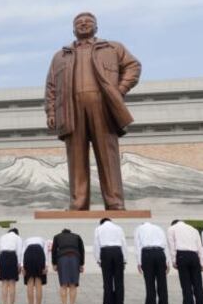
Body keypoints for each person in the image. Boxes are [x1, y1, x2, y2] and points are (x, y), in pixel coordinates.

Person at [45, 12, 142, 210]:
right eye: (79, 22)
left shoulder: (113, 48)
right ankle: (78, 203)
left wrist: (119, 90)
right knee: (76, 158)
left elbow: (133, 67)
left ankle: (114, 202)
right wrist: (51, 112)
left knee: (108, 155)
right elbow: (51, 87)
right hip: (72, 110)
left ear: (96, 27)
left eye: (88, 22)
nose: (83, 24)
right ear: (73, 29)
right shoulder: (60, 56)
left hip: (103, 107)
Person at [168, 220, 203, 304]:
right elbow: (200, 247)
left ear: (173, 223)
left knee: (186, 286)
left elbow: (172, 246)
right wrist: (201, 262)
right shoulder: (193, 229)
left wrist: (174, 261)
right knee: (198, 286)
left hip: (182, 256)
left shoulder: (172, 229)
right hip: (194, 256)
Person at [134, 221, 170, 304]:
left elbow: (137, 246)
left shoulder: (139, 229)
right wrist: (167, 262)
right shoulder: (159, 228)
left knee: (149, 284)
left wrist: (139, 262)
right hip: (160, 253)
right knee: (162, 284)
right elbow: (165, 245)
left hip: (147, 254)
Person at [93, 218, 128, 304]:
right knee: (119, 283)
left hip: (106, 252)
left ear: (101, 222)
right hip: (118, 252)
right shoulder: (118, 228)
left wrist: (98, 259)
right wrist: (124, 260)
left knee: (107, 282)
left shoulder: (99, 229)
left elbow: (96, 244)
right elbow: (123, 243)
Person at [51, 228, 85, 304]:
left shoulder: (57, 237)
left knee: (64, 285)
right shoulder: (77, 236)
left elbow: (54, 251)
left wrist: (54, 263)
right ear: (70, 232)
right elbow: (82, 250)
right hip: (75, 258)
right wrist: (81, 264)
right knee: (73, 285)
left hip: (62, 259)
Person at [21, 236, 49, 304]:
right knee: (38, 283)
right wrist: (46, 266)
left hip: (28, 254)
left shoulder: (26, 240)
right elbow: (46, 252)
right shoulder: (43, 240)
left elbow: (23, 253)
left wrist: (22, 266)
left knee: (30, 282)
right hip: (39, 253)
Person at [0, 228, 23, 304]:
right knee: (12, 283)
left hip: (3, 257)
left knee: (4, 283)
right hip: (12, 257)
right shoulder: (17, 238)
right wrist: (19, 264)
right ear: (17, 233)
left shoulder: (2, 237)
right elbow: (19, 252)